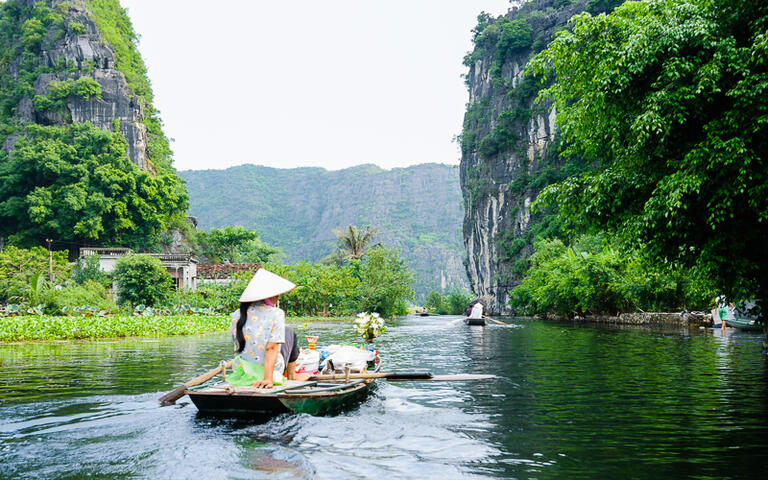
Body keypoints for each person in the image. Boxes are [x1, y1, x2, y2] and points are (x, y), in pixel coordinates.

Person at [230, 268, 296, 389]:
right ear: (269, 296)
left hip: (241, 373)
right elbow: (271, 348)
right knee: (291, 334)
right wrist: (268, 379)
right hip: (268, 374)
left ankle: (292, 376)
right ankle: (292, 376)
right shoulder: (276, 313)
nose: (277, 297)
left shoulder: (236, 314)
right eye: (276, 294)